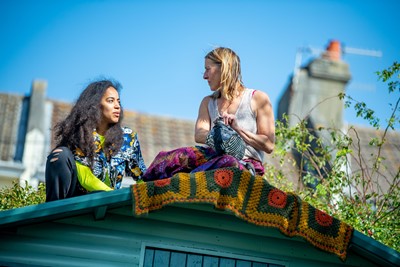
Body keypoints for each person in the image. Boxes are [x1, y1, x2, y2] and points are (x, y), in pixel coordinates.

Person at [142, 47, 275, 181]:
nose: (204, 76)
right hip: (212, 158)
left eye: (207, 69)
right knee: (174, 157)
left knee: (228, 162)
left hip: (244, 164)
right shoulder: (208, 102)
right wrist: (222, 134)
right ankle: (145, 183)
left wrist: (237, 130)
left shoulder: (257, 98)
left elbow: (269, 145)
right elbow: (199, 134)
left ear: (224, 68)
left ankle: (189, 179)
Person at [45, 79, 147, 201]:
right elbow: (85, 178)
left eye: (118, 102)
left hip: (110, 205)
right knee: (60, 155)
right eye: (110, 101)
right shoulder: (80, 134)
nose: (117, 106)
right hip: (80, 201)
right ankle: (55, 213)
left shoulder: (128, 138)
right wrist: (113, 196)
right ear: (95, 105)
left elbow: (142, 177)